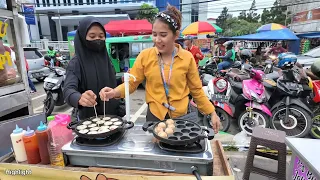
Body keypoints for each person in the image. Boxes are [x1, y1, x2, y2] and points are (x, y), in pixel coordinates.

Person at [99, 5, 220, 133]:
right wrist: (114, 92)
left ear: (176, 35)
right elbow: (132, 83)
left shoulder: (187, 58)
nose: (157, 40)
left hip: (181, 116)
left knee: (178, 148)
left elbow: (196, 90)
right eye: (154, 34)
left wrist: (212, 113)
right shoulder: (145, 56)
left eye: (163, 35)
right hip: (155, 115)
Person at [63, 17, 122, 120]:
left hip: (111, 117)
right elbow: (68, 89)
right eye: (92, 36)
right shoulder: (76, 62)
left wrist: (121, 80)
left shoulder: (106, 59)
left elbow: (109, 83)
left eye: (101, 36)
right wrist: (79, 98)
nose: (97, 39)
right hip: (88, 120)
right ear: (82, 37)